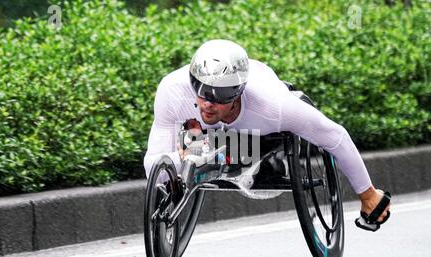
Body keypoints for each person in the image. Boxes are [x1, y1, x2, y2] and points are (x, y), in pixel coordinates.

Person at [144, 39, 391, 232]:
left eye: (219, 96)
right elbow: (153, 161)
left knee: (256, 147)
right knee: (191, 150)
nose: (209, 103)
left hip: (258, 133)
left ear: (238, 92)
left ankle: (271, 161)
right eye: (202, 92)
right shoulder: (172, 91)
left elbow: (335, 136)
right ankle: (208, 149)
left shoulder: (274, 106)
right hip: (206, 135)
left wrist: (368, 194)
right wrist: (171, 177)